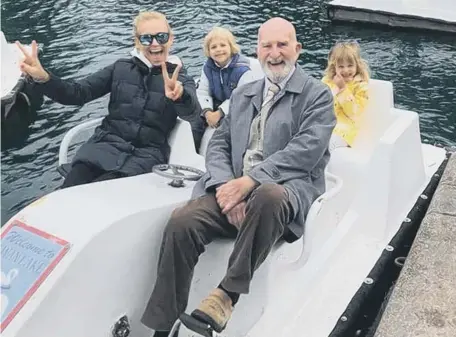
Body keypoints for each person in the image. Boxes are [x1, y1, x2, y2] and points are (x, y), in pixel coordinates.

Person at [141, 17, 336, 337]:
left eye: (282, 45)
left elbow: (306, 151)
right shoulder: (246, 93)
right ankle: (165, 324)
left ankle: (225, 296)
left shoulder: (317, 96)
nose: (275, 53)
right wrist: (223, 188)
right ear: (257, 51)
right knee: (182, 221)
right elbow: (219, 145)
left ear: (297, 49)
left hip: (283, 193)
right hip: (233, 188)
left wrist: (250, 182)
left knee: (269, 194)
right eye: (267, 45)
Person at [16, 11, 202, 188]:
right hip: (103, 146)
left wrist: (179, 96)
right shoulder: (120, 68)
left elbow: (193, 112)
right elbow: (78, 93)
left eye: (161, 37)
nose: (155, 44)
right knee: (69, 189)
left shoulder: (180, 78)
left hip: (145, 156)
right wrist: (44, 78)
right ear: (137, 42)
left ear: (171, 39)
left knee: (103, 193)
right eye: (146, 38)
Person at [197, 26, 263, 128]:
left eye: (223, 45)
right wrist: (207, 112)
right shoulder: (207, 68)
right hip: (218, 103)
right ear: (208, 51)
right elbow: (203, 92)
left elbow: (240, 98)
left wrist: (219, 113)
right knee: (197, 122)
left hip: (239, 107)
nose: (219, 50)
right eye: (213, 47)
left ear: (231, 47)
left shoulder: (243, 70)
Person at [322, 41, 370, 152]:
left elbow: (353, 112)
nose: (346, 70)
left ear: (357, 65)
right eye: (341, 66)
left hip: (344, 131)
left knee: (328, 145)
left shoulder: (360, 86)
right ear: (335, 67)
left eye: (350, 65)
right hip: (325, 125)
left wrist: (343, 89)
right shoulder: (327, 82)